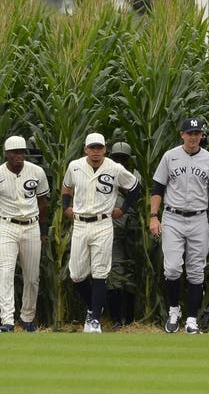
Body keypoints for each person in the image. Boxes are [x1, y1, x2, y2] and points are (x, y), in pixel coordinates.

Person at [149, 117, 209, 335]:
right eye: (190, 133)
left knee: (196, 271)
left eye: (197, 133)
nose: (194, 137)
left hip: (199, 218)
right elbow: (157, 188)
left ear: (202, 136)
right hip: (173, 216)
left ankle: (192, 319)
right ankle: (174, 311)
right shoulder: (170, 156)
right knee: (172, 267)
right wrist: (153, 216)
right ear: (182, 135)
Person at [62, 132, 142, 334]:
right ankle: (93, 306)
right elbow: (66, 188)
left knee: (100, 272)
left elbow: (135, 188)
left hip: (103, 223)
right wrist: (65, 208)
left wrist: (122, 210)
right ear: (86, 149)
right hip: (80, 223)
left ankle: (95, 319)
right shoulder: (75, 166)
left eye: (100, 148)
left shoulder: (115, 168)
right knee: (77, 275)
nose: (96, 151)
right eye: (92, 148)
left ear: (105, 149)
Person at [0, 135, 50, 333]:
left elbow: (43, 203)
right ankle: (7, 321)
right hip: (7, 227)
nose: (19, 156)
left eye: (22, 152)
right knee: (6, 272)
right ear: (7, 154)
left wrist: (44, 231)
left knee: (32, 277)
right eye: (15, 152)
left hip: (31, 226)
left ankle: (28, 318)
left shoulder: (37, 172)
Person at [106, 141, 139, 329]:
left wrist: (122, 184)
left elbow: (137, 198)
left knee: (132, 276)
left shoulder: (135, 176)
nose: (119, 162)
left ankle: (131, 320)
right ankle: (117, 319)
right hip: (112, 231)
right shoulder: (106, 174)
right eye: (116, 158)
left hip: (132, 232)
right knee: (115, 274)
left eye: (123, 159)